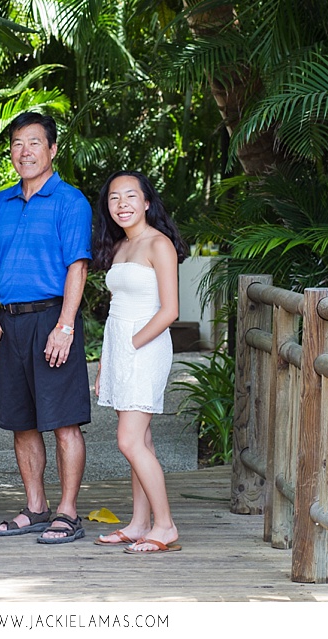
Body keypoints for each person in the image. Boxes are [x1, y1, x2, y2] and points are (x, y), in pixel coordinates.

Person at [0, 112, 93, 544]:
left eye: (34, 143)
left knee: (63, 423)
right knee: (21, 422)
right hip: (10, 323)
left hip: (51, 318)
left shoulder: (71, 201)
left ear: (53, 150)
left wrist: (65, 327)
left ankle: (68, 512)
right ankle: (37, 507)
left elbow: (76, 267)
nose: (25, 151)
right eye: (18, 143)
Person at [91, 171, 188, 554]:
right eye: (114, 198)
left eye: (130, 196)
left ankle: (164, 525)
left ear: (147, 202)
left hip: (144, 346)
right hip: (120, 345)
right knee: (141, 439)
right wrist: (106, 359)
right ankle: (138, 523)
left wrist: (132, 343)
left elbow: (170, 310)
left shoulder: (158, 245)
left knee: (129, 440)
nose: (122, 204)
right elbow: (117, 308)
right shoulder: (120, 247)